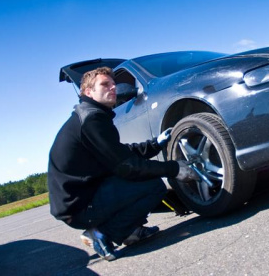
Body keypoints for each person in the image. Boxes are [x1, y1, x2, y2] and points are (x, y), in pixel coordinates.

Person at [48, 66, 197, 261]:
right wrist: (174, 168)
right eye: (105, 84)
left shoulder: (90, 116)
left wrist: (154, 144)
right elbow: (127, 167)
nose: (113, 88)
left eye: (113, 84)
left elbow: (119, 153)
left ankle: (130, 232)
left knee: (134, 183)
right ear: (88, 92)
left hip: (83, 198)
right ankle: (103, 234)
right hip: (80, 206)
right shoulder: (92, 120)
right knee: (153, 187)